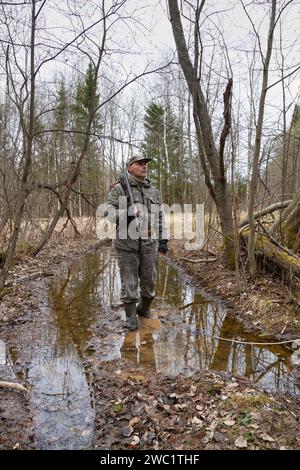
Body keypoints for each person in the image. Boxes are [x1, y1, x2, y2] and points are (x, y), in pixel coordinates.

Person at [106, 155, 168, 331]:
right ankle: (131, 317)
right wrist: (126, 213)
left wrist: (163, 238)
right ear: (130, 167)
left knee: (150, 282)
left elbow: (160, 216)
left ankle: (144, 309)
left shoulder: (153, 190)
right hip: (126, 243)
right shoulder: (119, 189)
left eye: (145, 164)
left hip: (149, 242)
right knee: (130, 282)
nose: (144, 166)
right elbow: (109, 213)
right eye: (139, 164)